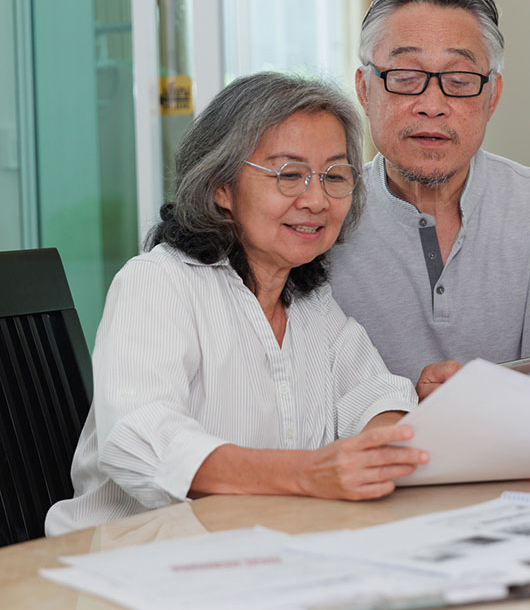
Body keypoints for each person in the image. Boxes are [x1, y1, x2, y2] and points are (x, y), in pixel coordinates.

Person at [46, 73, 439, 536]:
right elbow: (143, 438)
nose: (316, 199)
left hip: (255, 557)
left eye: (334, 176)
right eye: (289, 175)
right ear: (221, 187)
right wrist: (308, 473)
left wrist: (381, 445)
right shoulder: (157, 282)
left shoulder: (312, 303)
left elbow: (372, 392)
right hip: (125, 566)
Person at [328, 0, 530, 403]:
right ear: (364, 88)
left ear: (492, 97)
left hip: (529, 465)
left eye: (460, 79)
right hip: (379, 467)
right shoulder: (321, 214)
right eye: (406, 75)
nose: (432, 105)